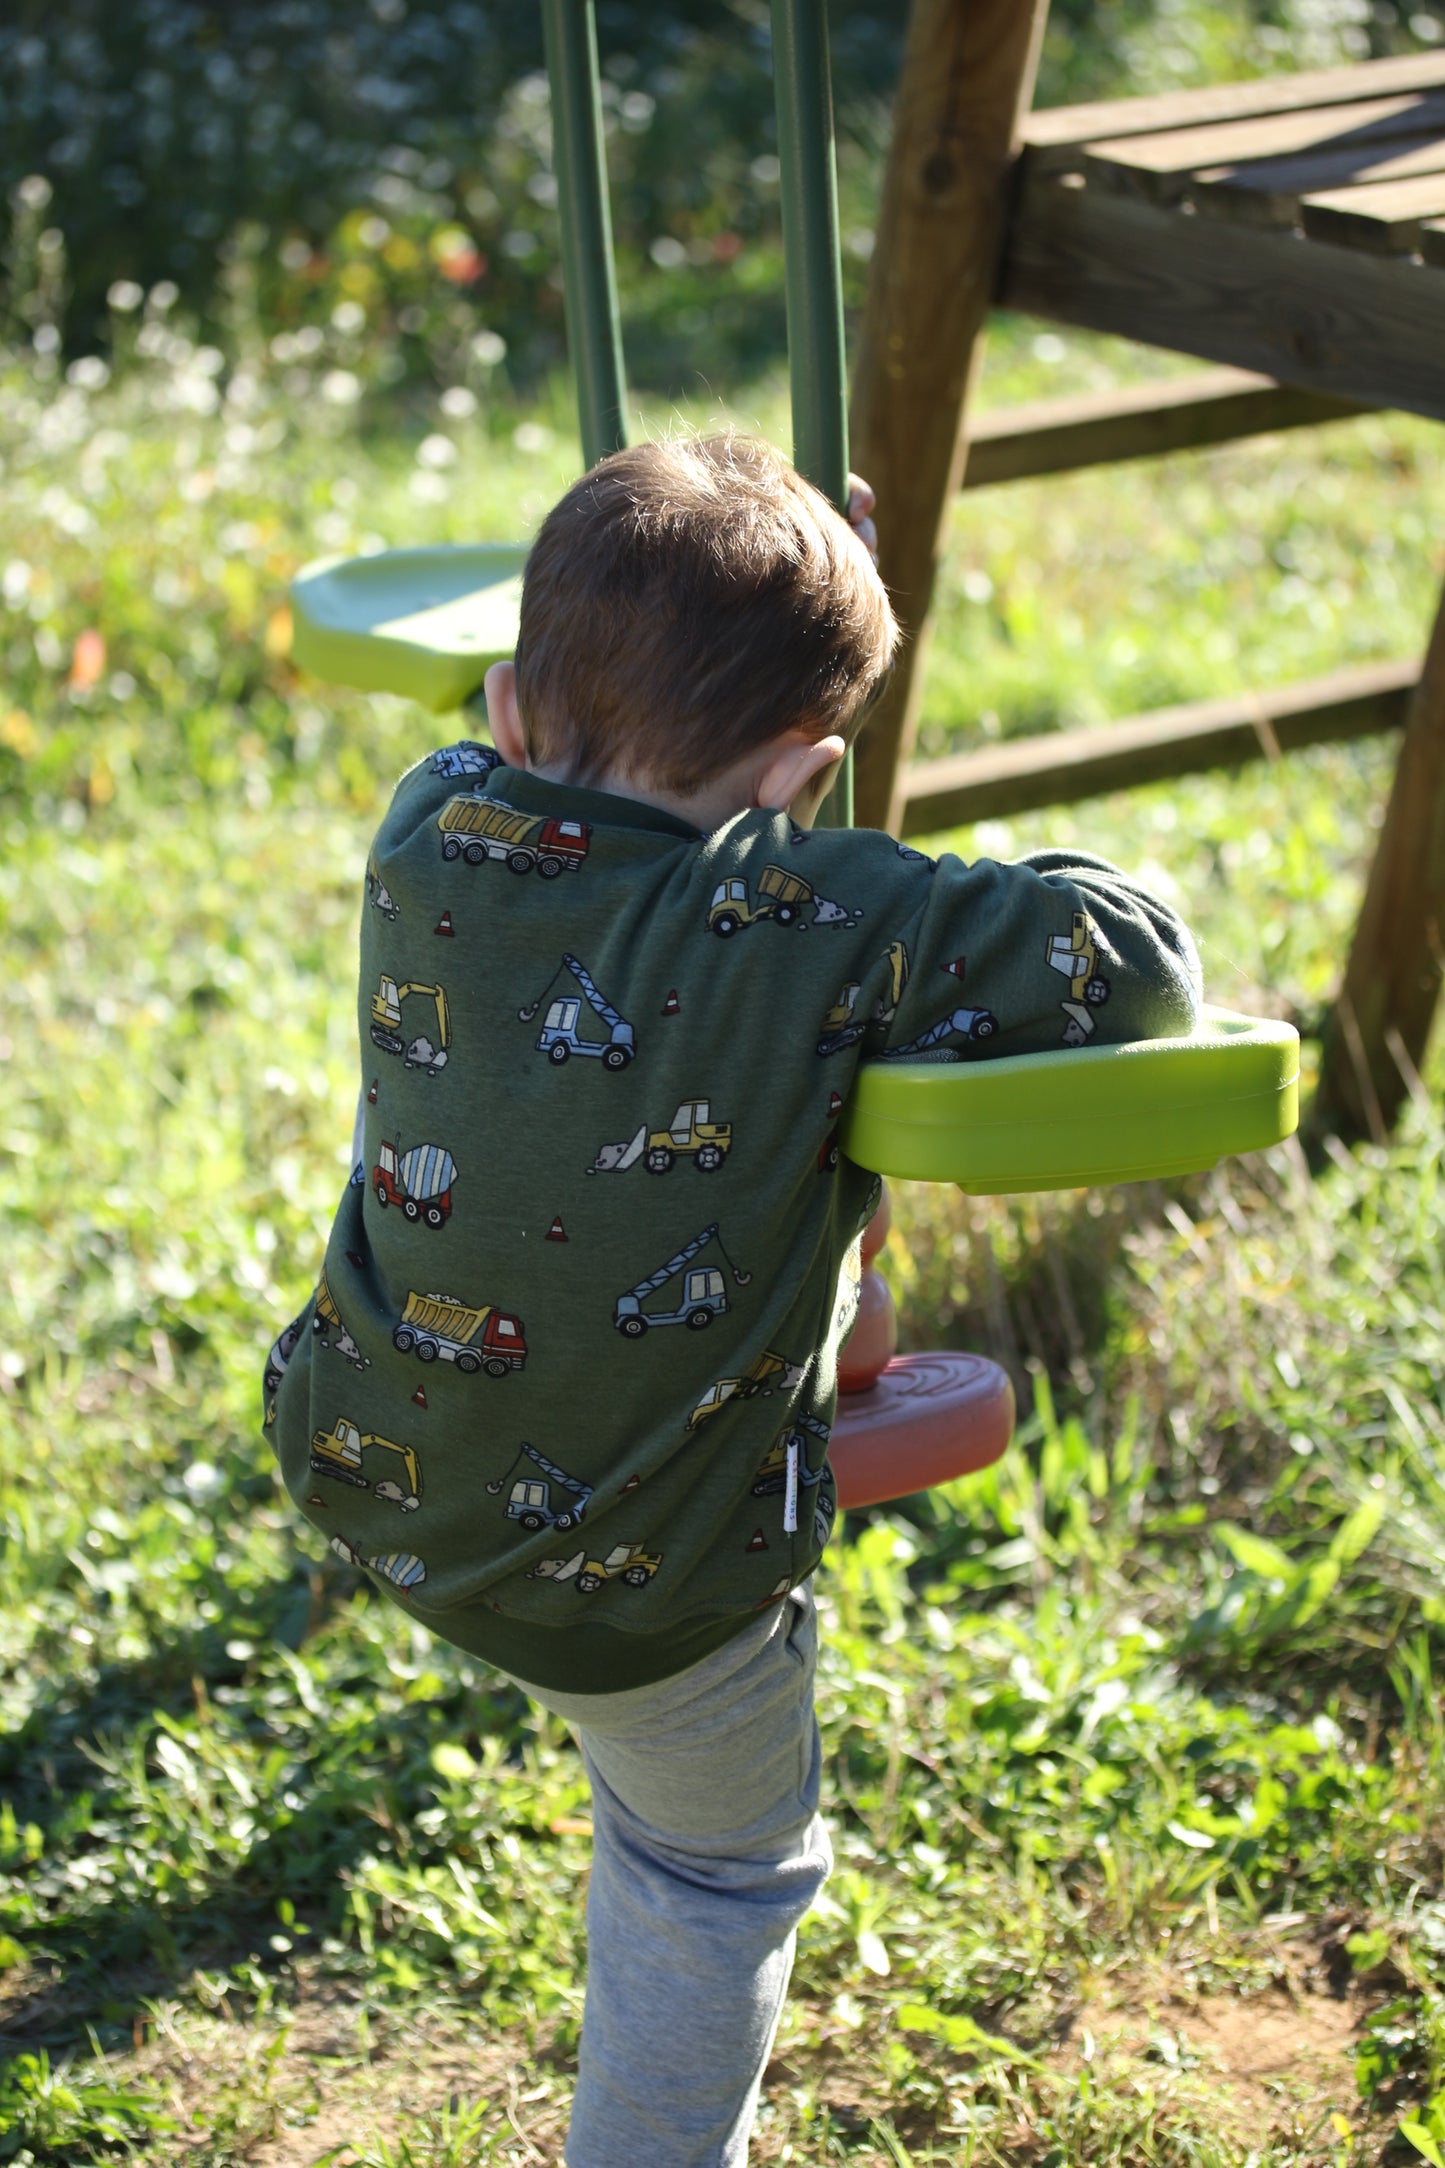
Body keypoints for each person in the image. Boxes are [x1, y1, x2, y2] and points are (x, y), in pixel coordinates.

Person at [264, 431, 1202, 2167]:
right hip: (652, 1591)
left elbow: (593, 755)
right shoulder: (820, 914)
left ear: (505, 709)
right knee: (710, 1871)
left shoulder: (425, 831)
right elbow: (1125, 959)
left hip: (368, 1459)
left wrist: (756, 597)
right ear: (806, 774)